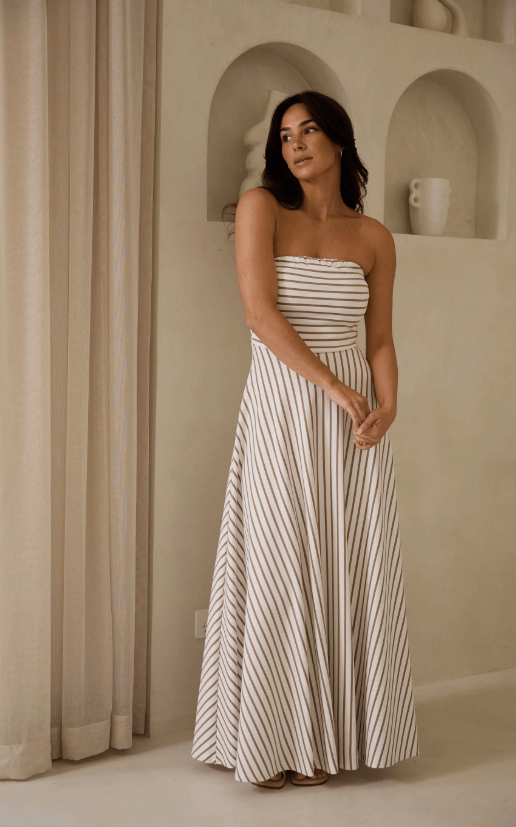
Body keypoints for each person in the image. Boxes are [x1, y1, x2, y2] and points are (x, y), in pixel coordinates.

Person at [191, 90, 419, 789]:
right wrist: (336, 388)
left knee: (346, 565)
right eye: (285, 135)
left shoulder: (374, 237)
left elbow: (379, 339)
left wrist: (388, 404)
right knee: (280, 562)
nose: (294, 144)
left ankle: (325, 736)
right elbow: (260, 315)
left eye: (309, 130)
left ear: (339, 140)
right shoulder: (261, 207)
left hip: (354, 423)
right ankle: (269, 740)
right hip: (284, 406)